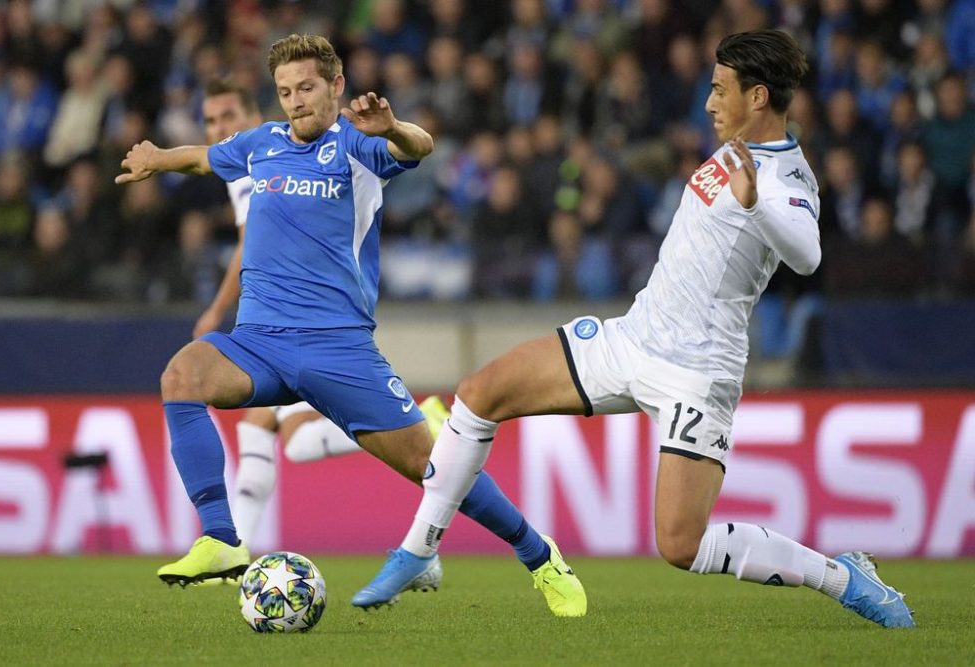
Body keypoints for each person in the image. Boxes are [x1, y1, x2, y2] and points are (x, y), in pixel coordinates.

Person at [357, 30, 915, 629]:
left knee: (681, 544)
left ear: (758, 97)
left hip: (697, 373)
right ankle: (418, 549)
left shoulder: (788, 178)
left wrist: (755, 204)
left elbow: (807, 256)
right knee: (479, 392)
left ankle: (842, 576)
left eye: (720, 89)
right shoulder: (732, 148)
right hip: (635, 338)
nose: (708, 101)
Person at [115, 34, 585, 616]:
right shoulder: (261, 143)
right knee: (182, 375)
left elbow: (422, 145)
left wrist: (390, 126)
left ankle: (540, 556)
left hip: (337, 349)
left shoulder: (359, 146)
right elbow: (204, 158)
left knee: (434, 471)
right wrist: (156, 158)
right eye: (285, 91)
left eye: (306, 88)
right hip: (258, 344)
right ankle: (220, 540)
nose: (295, 101)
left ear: (335, 87)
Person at [190, 81, 448, 585]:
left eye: (227, 117)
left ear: (250, 113)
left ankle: (425, 420)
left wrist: (215, 310)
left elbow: (248, 245)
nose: (219, 129)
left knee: (298, 442)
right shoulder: (256, 159)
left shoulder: (261, 162)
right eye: (210, 122)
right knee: (257, 430)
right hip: (278, 326)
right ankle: (233, 549)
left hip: (306, 328)